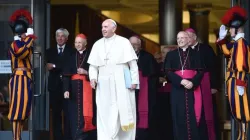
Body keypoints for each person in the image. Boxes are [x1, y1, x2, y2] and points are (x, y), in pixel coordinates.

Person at [87, 19, 139, 140]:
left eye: (106, 27)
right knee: (105, 113)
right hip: (103, 84)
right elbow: (93, 66)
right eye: (102, 27)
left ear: (113, 28)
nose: (103, 29)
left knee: (122, 112)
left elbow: (133, 64)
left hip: (122, 83)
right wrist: (93, 78)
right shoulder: (97, 44)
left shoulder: (124, 42)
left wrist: (134, 81)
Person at [165, 31, 206, 140]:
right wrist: (181, 81)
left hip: (193, 89)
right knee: (178, 115)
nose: (180, 40)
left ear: (188, 39)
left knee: (193, 115)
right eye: (178, 38)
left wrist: (193, 82)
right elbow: (168, 72)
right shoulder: (171, 54)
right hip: (177, 89)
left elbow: (201, 71)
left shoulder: (196, 54)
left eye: (182, 38)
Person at [216, 6, 250, 139]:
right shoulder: (236, 43)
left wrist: (240, 83)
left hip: (237, 80)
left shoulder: (241, 43)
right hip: (233, 80)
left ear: (237, 28)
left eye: (231, 28)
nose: (229, 31)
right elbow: (226, 53)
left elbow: (241, 65)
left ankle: (243, 137)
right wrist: (222, 39)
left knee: (241, 111)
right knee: (236, 110)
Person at [8, 9, 36, 140]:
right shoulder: (16, 44)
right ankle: (16, 138)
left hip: (25, 79)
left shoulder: (23, 43)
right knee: (17, 111)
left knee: (23, 111)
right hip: (19, 78)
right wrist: (29, 39)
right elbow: (21, 53)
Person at [185, 28, 218, 140]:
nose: (186, 39)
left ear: (194, 37)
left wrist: (214, 86)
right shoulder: (184, 51)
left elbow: (214, 68)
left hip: (205, 84)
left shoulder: (206, 49)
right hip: (191, 85)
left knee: (206, 112)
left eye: (188, 37)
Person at [63, 34, 97, 140]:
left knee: (86, 113)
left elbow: (97, 72)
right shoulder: (71, 55)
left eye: (80, 42)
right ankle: (76, 136)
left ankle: (86, 136)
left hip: (87, 89)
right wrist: (66, 89)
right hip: (73, 90)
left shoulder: (91, 55)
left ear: (85, 43)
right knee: (74, 114)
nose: (77, 44)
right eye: (76, 42)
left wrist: (86, 72)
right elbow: (66, 75)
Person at [46, 28, 74, 140]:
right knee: (56, 115)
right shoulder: (49, 51)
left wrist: (54, 66)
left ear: (67, 38)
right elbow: (48, 66)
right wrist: (59, 66)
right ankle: (58, 138)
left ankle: (67, 137)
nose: (60, 38)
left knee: (68, 114)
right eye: (58, 36)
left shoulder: (72, 51)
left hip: (67, 87)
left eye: (62, 36)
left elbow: (69, 67)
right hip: (54, 87)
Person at [129, 36, 157, 140]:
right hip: (129, 91)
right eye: (131, 44)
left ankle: (142, 134)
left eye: (135, 44)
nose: (133, 46)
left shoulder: (148, 57)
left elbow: (154, 75)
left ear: (140, 46)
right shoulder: (123, 57)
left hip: (144, 91)